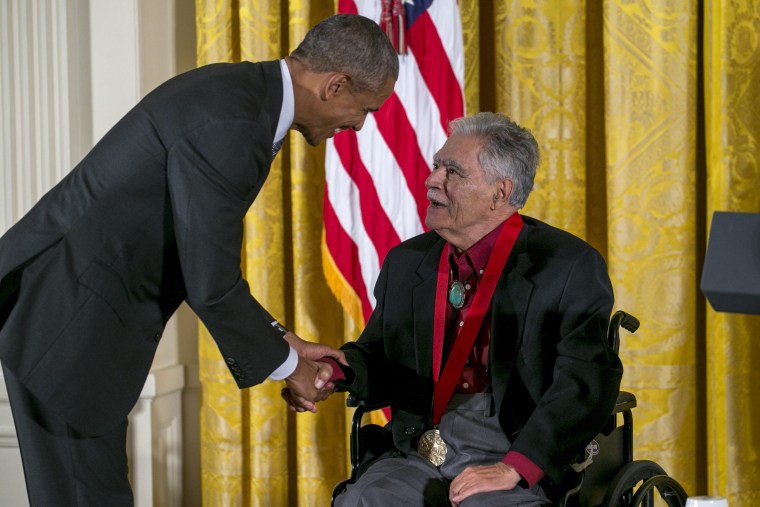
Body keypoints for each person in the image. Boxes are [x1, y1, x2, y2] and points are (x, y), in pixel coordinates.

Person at [0, 13, 398, 506]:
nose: (359, 125)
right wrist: (289, 366)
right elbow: (210, 282)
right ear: (335, 85)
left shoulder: (242, 96)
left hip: (72, 317)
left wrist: (283, 340)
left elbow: (196, 257)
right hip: (67, 326)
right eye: (366, 109)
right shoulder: (235, 121)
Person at [294, 112, 623, 505]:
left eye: (453, 172)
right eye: (436, 165)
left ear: (500, 192)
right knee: (363, 499)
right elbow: (381, 357)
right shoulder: (407, 261)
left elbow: (583, 381)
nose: (432, 179)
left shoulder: (567, 265)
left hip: (519, 442)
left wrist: (516, 466)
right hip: (423, 444)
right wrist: (337, 370)